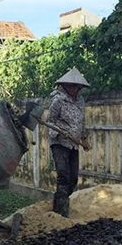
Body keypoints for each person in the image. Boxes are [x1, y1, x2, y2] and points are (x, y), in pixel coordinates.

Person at [47, 68, 91, 218]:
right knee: (63, 175)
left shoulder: (80, 101)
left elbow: (82, 121)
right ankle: (61, 212)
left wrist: (84, 139)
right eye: (71, 86)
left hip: (74, 143)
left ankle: (59, 202)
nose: (75, 89)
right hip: (59, 143)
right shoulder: (58, 99)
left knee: (73, 179)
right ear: (65, 85)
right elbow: (50, 121)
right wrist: (59, 131)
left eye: (77, 87)